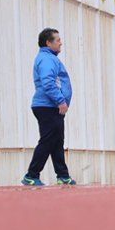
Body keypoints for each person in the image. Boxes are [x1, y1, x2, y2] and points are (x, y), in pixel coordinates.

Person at [22, 28, 76, 186]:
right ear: (48, 42)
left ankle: (62, 175)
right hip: (47, 106)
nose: (61, 43)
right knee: (48, 140)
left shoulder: (50, 58)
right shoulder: (47, 59)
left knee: (56, 140)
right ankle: (31, 175)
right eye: (58, 40)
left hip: (50, 106)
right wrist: (60, 100)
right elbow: (47, 82)